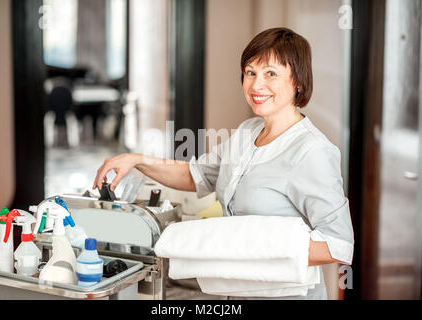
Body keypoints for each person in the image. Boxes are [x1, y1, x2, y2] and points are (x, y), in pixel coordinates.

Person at [93, 27, 354, 300]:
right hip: (236, 292)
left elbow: (337, 245)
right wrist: (136, 160)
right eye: (250, 72)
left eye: (271, 74)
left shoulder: (312, 151)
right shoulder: (247, 131)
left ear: (298, 81)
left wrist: (242, 245)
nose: (256, 85)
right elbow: (195, 175)